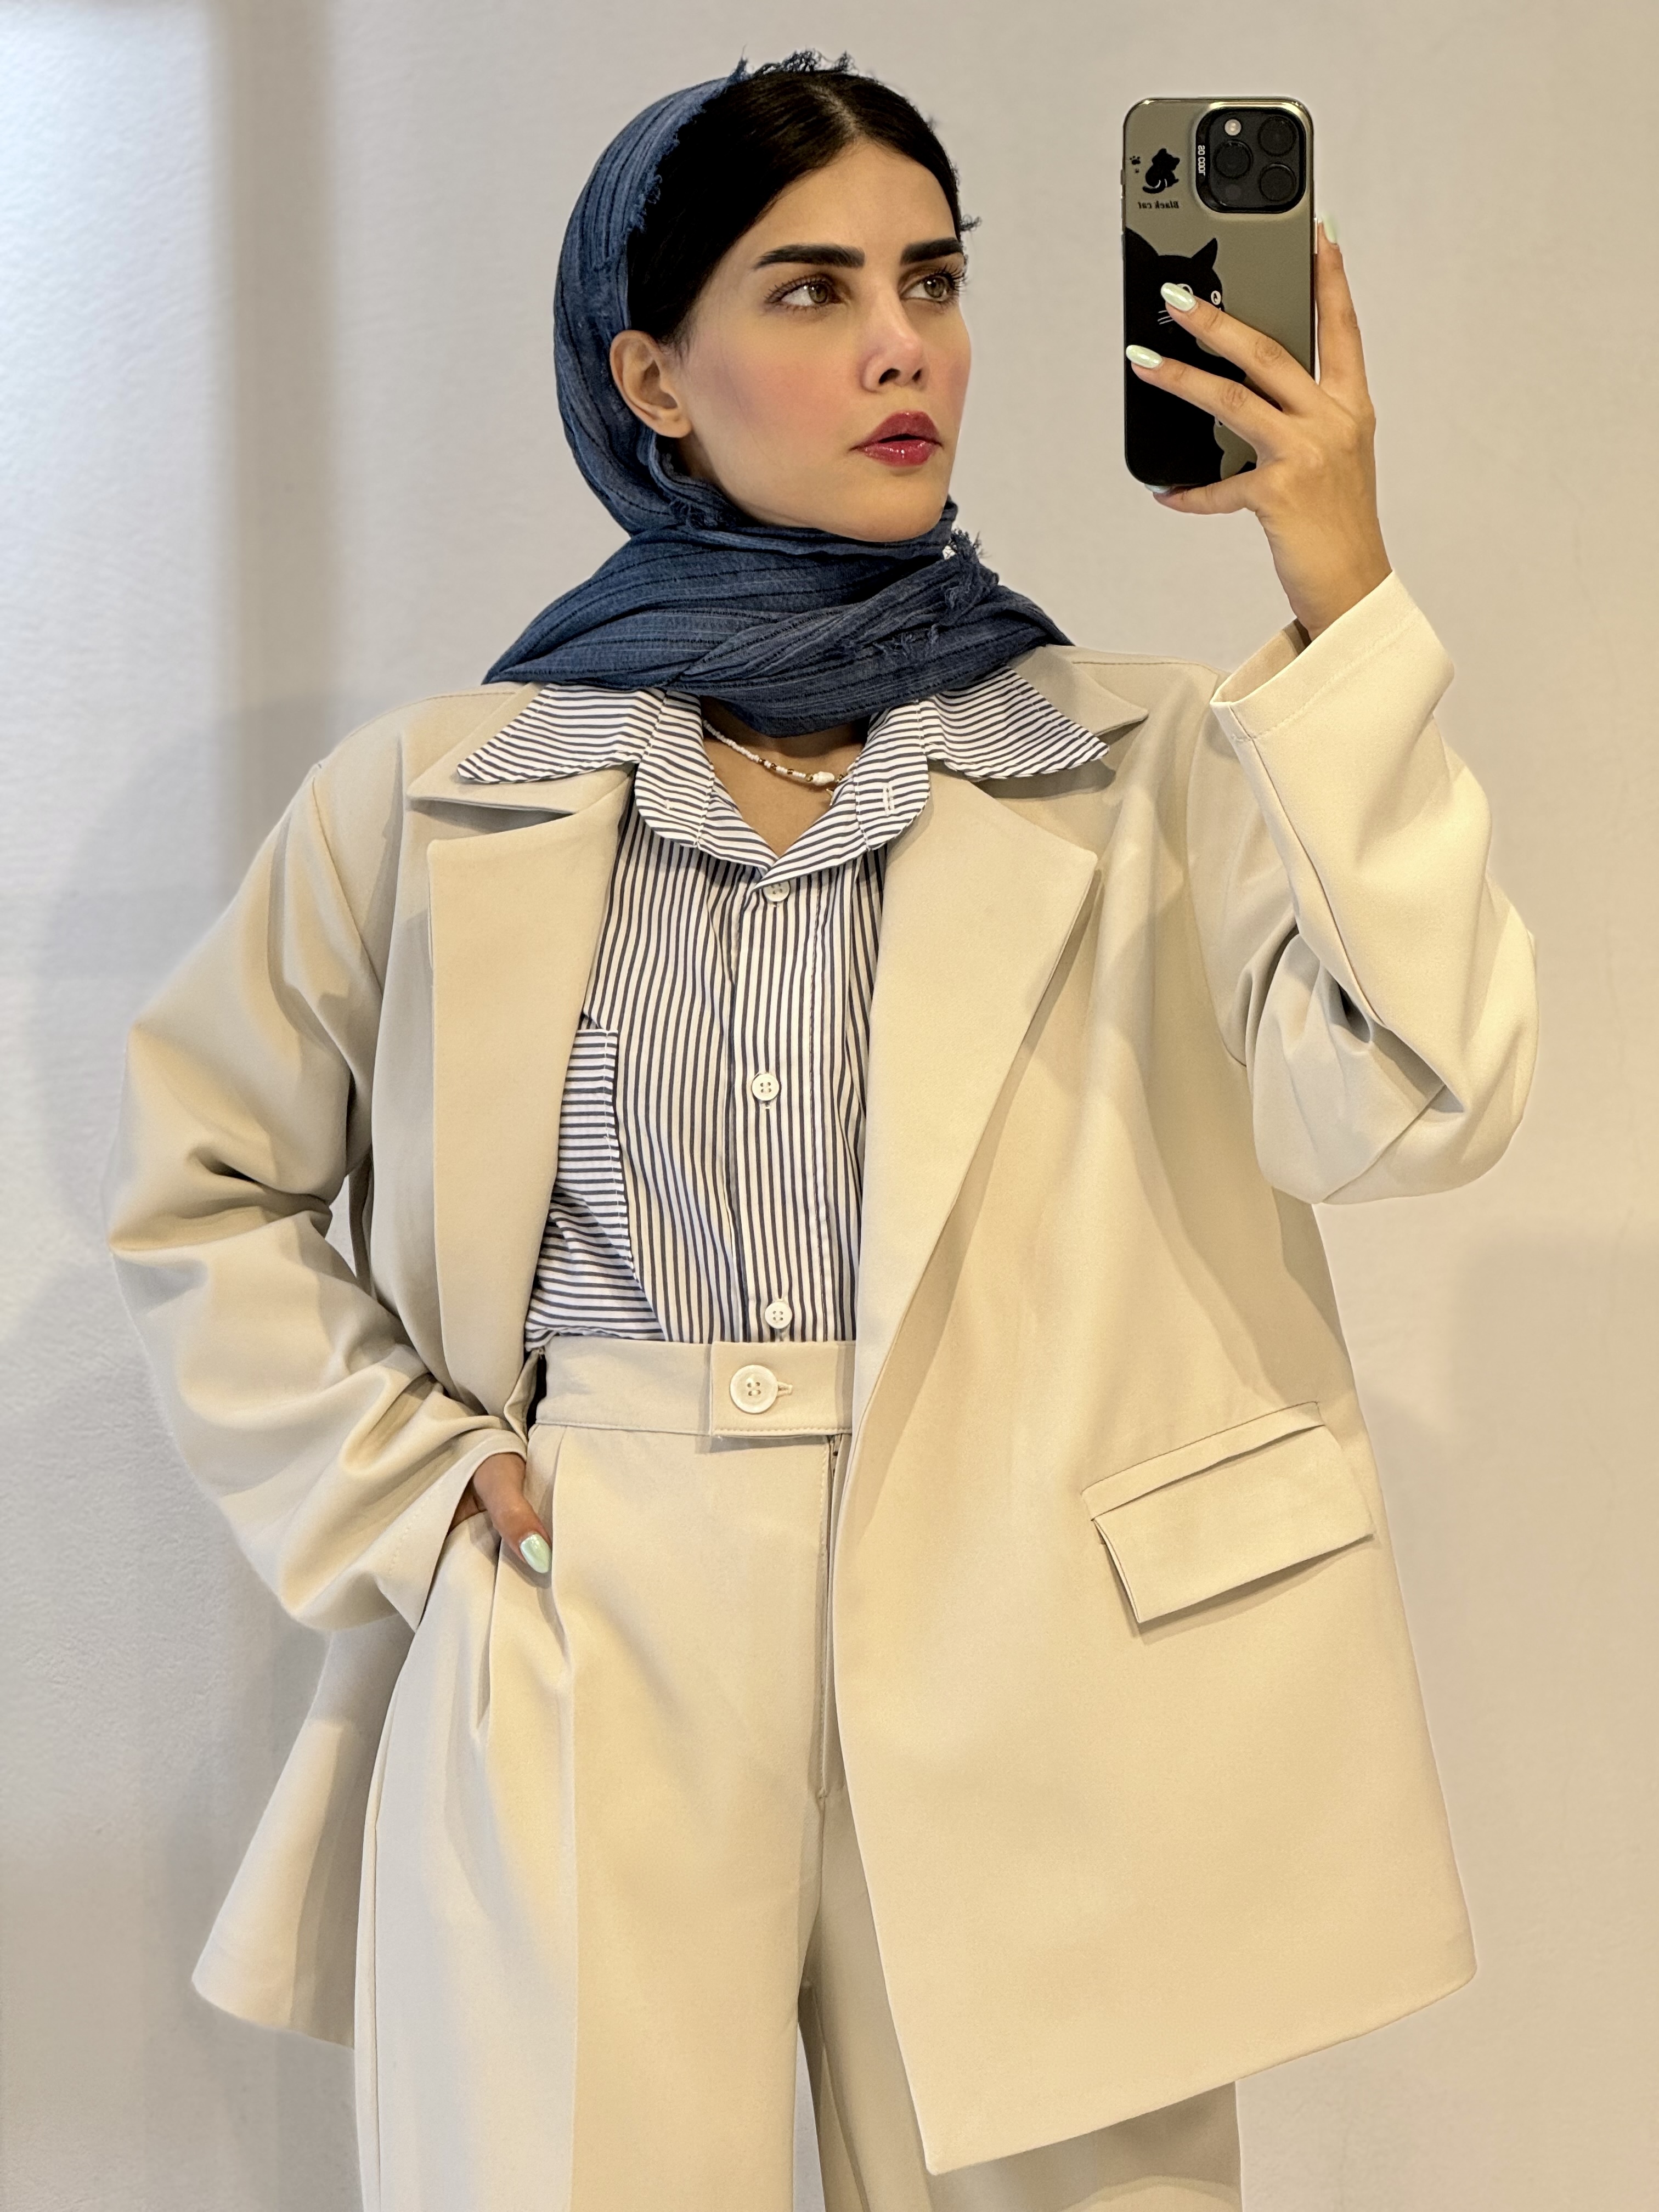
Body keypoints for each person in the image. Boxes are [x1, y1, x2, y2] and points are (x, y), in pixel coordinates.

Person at [103, 49, 1538, 2212]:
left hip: (1039, 1612)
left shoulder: (1150, 760)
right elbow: (200, 1180)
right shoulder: (436, 793)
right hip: (588, 1605)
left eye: (933, 280)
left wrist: (1340, 592)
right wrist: (420, 1485)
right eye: (811, 289)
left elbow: (1422, 1098)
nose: (902, 346)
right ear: (650, 376)